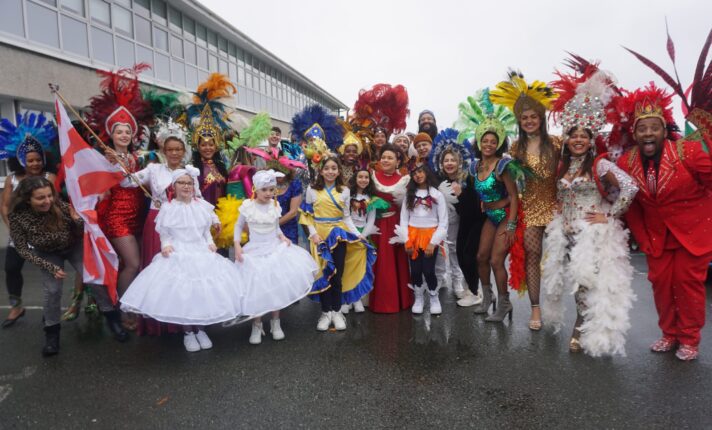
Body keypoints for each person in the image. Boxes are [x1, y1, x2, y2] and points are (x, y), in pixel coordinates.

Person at [616, 84, 712, 361]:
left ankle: (690, 338)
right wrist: (642, 237)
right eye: (642, 129)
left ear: (663, 129)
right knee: (661, 284)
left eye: (653, 128)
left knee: (687, 284)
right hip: (656, 236)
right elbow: (631, 204)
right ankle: (669, 333)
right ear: (634, 133)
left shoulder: (688, 152)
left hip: (693, 232)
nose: (648, 133)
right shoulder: (626, 161)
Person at [120, 167, 243, 352]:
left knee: (201, 293)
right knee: (185, 295)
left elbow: (204, 231)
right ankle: (188, 332)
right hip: (180, 251)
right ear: (174, 186)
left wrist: (210, 242)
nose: (186, 186)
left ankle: (200, 328)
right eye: (181, 183)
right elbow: (165, 233)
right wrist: (166, 246)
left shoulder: (201, 206)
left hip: (200, 250)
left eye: (189, 183)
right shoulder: (168, 208)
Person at [9, 177, 125, 356]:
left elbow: (81, 230)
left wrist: (77, 219)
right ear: (27, 199)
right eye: (40, 198)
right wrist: (48, 266)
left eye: (49, 196)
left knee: (93, 278)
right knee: (53, 291)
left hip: (73, 246)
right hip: (47, 254)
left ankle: (113, 319)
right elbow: (22, 249)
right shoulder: (17, 216)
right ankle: (51, 334)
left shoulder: (60, 206)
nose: (47, 201)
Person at [85, 65, 154, 331]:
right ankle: (125, 307)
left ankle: (134, 303)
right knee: (133, 263)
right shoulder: (104, 158)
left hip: (138, 213)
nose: (123, 135)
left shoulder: (138, 158)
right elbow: (106, 186)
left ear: (132, 135)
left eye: (127, 131)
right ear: (111, 135)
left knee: (136, 263)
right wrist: (112, 166)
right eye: (119, 131)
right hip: (116, 217)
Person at [490, 71, 560, 330]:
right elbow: (507, 181)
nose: (529, 121)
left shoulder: (556, 143)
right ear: (519, 121)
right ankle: (535, 309)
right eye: (525, 118)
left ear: (541, 119)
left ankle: (559, 309)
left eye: (534, 117)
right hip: (530, 209)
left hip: (556, 207)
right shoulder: (515, 148)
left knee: (559, 259)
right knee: (533, 255)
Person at [296, 115, 376, 329]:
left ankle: (337, 311)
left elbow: (347, 217)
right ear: (321, 170)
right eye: (327, 168)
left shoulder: (345, 191)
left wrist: (356, 234)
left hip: (339, 233)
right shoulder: (312, 190)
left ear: (338, 171)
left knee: (337, 273)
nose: (331, 171)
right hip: (319, 235)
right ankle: (325, 313)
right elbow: (307, 215)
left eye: (334, 168)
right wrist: (312, 233)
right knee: (323, 273)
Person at [234, 169, 317, 344]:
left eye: (272, 190)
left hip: (273, 247)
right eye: (264, 190)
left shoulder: (275, 206)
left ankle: (275, 322)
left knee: (275, 286)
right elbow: (238, 226)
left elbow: (276, 227)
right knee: (256, 288)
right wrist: (236, 246)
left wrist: (283, 237)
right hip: (255, 250)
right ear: (256, 189)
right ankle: (257, 325)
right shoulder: (247, 206)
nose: (269, 193)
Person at [0, 112, 57, 327]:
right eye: (29, 160)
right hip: (19, 234)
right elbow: (5, 206)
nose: (34, 164)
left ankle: (50, 311)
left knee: (47, 273)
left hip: (44, 233)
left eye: (38, 160)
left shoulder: (48, 177)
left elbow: (53, 205)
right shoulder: (11, 179)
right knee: (12, 269)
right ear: (20, 160)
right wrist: (13, 228)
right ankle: (17, 306)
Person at [469, 122, 525, 322]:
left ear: (499, 144)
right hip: (491, 217)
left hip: (506, 215)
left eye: (493, 141)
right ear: (479, 142)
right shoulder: (474, 167)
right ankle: (487, 297)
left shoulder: (503, 166)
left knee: (495, 260)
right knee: (481, 257)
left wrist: (511, 224)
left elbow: (514, 196)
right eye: (485, 140)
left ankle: (504, 303)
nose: (489, 144)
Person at [392, 164, 448, 315]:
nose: (418, 175)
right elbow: (404, 219)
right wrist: (406, 240)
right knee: (415, 270)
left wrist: (433, 242)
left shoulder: (437, 195)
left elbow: (443, 223)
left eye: (421, 171)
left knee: (429, 270)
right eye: (415, 173)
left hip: (430, 236)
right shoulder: (409, 195)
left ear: (427, 173)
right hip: (413, 236)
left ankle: (433, 296)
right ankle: (418, 297)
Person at [428, 128, 473, 299]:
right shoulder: (436, 179)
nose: (449, 163)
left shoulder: (466, 179)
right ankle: (439, 278)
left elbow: (470, 206)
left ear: (459, 161)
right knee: (439, 248)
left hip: (458, 221)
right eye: (446, 160)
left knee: (454, 249)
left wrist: (460, 194)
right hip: (438, 221)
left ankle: (457, 280)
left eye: (452, 160)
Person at [369, 144, 412, 313]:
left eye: (390, 158)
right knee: (377, 263)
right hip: (376, 225)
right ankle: (375, 300)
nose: (385, 160)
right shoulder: (371, 177)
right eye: (383, 157)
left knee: (396, 264)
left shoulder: (405, 180)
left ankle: (399, 300)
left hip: (396, 225)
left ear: (398, 161)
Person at [342, 167, 388, 313]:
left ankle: (357, 299)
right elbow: (345, 216)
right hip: (348, 232)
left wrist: (364, 236)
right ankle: (346, 299)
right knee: (347, 266)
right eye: (360, 177)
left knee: (360, 267)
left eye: (366, 177)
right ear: (355, 179)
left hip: (364, 235)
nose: (363, 180)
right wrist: (355, 234)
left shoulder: (371, 199)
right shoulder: (347, 196)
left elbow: (371, 219)